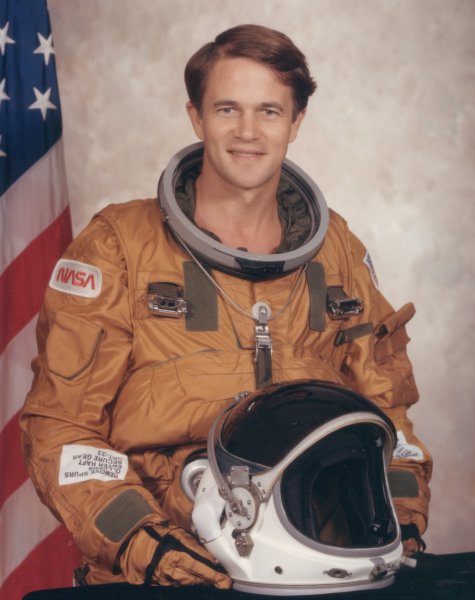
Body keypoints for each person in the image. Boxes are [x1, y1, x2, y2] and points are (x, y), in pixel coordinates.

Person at [20, 24, 432, 589]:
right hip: (167, 569)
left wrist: (400, 516)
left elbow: (388, 416)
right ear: (196, 117)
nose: (247, 132)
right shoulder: (118, 246)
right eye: (227, 109)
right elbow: (62, 429)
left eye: (269, 111)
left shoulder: (337, 252)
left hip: (324, 567)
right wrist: (145, 544)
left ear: (296, 122)